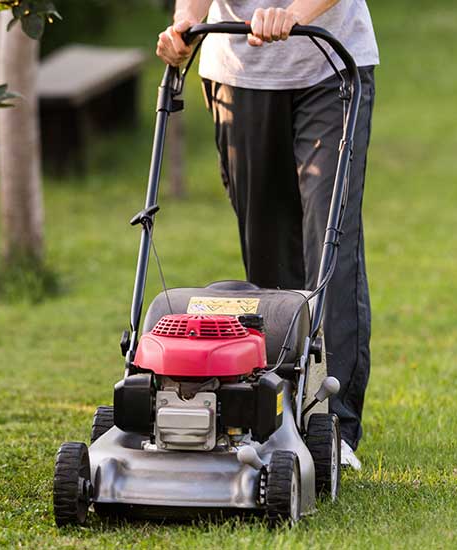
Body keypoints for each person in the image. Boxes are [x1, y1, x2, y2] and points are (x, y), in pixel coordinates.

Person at [156, 1, 378, 469]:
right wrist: (184, 23)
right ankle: (279, 412)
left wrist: (295, 12)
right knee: (268, 259)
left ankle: (333, 427)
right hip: (237, 73)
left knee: (328, 239)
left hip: (327, 63)